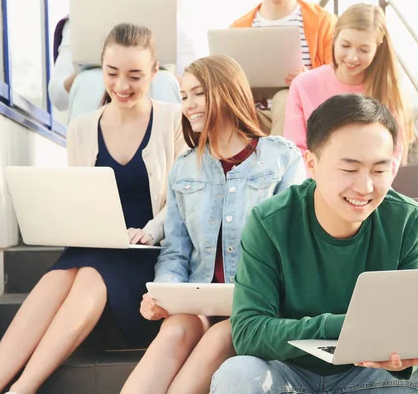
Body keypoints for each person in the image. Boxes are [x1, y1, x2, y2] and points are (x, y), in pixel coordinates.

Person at [0, 23, 188, 394]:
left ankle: (23, 387)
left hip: (144, 247)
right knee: (57, 277)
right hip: (96, 241)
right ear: (99, 69)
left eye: (135, 75)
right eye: (111, 73)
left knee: (89, 275)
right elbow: (79, 195)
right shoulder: (82, 127)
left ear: (155, 73)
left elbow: (183, 199)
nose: (122, 86)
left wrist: (149, 229)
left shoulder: (172, 119)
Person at [210, 94, 418, 393]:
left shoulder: (406, 219)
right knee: (238, 373)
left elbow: (415, 325)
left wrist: (406, 356)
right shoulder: (270, 221)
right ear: (312, 163)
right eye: (349, 169)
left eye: (379, 170)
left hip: (371, 378)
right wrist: (344, 327)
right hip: (288, 377)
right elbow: (249, 332)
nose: (364, 187)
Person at [120, 55, 306, 394]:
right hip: (199, 300)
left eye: (198, 94)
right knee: (174, 332)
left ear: (226, 92)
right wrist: (165, 293)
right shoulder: (184, 169)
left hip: (258, 306)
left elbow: (294, 251)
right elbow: (176, 252)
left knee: (218, 339)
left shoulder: (282, 159)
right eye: (184, 96)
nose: (188, 106)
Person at [284, 3, 414, 169]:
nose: (352, 57)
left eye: (364, 50)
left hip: (368, 188)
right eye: (345, 46)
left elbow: (392, 155)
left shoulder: (388, 92)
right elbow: (295, 150)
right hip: (313, 187)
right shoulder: (303, 85)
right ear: (335, 38)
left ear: (377, 48)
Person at [48, 8, 201, 122]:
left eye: (133, 75)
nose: (123, 86)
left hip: (160, 107)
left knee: (165, 80)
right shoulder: (80, 20)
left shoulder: (174, 22)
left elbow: (195, 88)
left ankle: (174, 162)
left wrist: (147, 72)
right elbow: (57, 97)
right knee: (89, 80)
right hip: (91, 110)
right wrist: (95, 70)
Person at [231, 0, 336, 136]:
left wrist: (308, 80)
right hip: (253, 113)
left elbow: (337, 77)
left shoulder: (323, 21)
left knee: (285, 98)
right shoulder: (237, 28)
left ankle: (279, 154)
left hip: (303, 111)